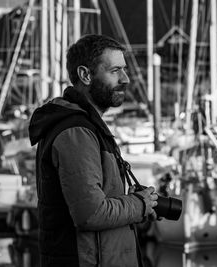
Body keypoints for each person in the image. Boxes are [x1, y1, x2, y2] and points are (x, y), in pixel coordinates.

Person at [29, 34, 158, 267]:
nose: (126, 79)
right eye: (115, 70)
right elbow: (91, 213)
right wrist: (139, 204)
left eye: (124, 69)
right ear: (85, 75)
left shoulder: (87, 126)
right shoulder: (75, 132)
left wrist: (136, 202)